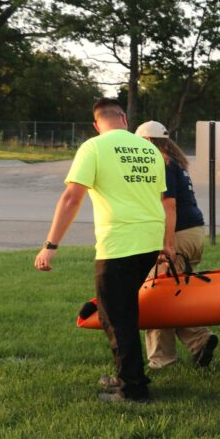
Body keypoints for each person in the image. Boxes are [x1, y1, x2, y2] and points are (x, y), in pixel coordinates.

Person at [34, 98, 168, 403]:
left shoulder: (94, 147)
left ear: (97, 124)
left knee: (115, 317)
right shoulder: (150, 149)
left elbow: (72, 197)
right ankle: (127, 375)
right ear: (123, 117)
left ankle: (133, 388)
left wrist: (50, 246)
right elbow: (158, 197)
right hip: (149, 240)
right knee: (125, 311)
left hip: (120, 243)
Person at [134, 121, 218, 369]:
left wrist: (166, 244)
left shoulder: (160, 162)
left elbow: (169, 206)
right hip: (193, 233)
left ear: (147, 141)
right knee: (173, 291)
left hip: (178, 235)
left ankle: (162, 359)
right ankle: (199, 341)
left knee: (156, 294)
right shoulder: (175, 161)